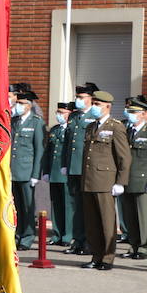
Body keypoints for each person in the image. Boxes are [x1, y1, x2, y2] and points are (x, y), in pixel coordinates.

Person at [81, 89, 130, 270]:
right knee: (92, 223)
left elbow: (124, 157)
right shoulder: (90, 126)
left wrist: (120, 181)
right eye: (93, 103)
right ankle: (96, 256)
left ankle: (108, 258)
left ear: (108, 106)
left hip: (106, 181)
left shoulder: (115, 127)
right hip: (89, 180)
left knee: (107, 223)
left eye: (97, 104)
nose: (94, 107)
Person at [120, 95, 147, 260]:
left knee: (143, 217)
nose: (130, 114)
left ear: (143, 114)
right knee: (130, 216)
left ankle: (144, 247)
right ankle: (134, 245)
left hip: (142, 181)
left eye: (134, 112)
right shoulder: (127, 131)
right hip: (127, 180)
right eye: (130, 111)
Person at [63, 82, 98, 255]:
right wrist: (64, 164)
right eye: (77, 97)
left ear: (91, 99)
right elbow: (68, 143)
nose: (78, 100)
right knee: (76, 207)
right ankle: (77, 240)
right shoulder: (74, 116)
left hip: (87, 168)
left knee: (88, 208)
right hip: (73, 167)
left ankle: (89, 242)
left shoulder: (95, 116)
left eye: (82, 97)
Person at [10, 88, 44, 250]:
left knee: (27, 207)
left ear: (29, 105)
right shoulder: (14, 121)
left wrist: (36, 174)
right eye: (18, 102)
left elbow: (39, 150)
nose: (19, 106)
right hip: (12, 171)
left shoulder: (36, 122)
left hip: (26, 171)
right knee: (15, 207)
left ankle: (28, 236)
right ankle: (17, 234)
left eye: (22, 103)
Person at [40, 102, 74, 246]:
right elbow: (48, 152)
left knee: (68, 205)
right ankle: (57, 234)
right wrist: (46, 171)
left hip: (65, 172)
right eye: (58, 112)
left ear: (69, 114)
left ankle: (68, 235)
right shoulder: (54, 130)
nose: (59, 115)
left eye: (62, 112)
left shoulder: (72, 130)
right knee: (56, 205)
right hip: (54, 172)